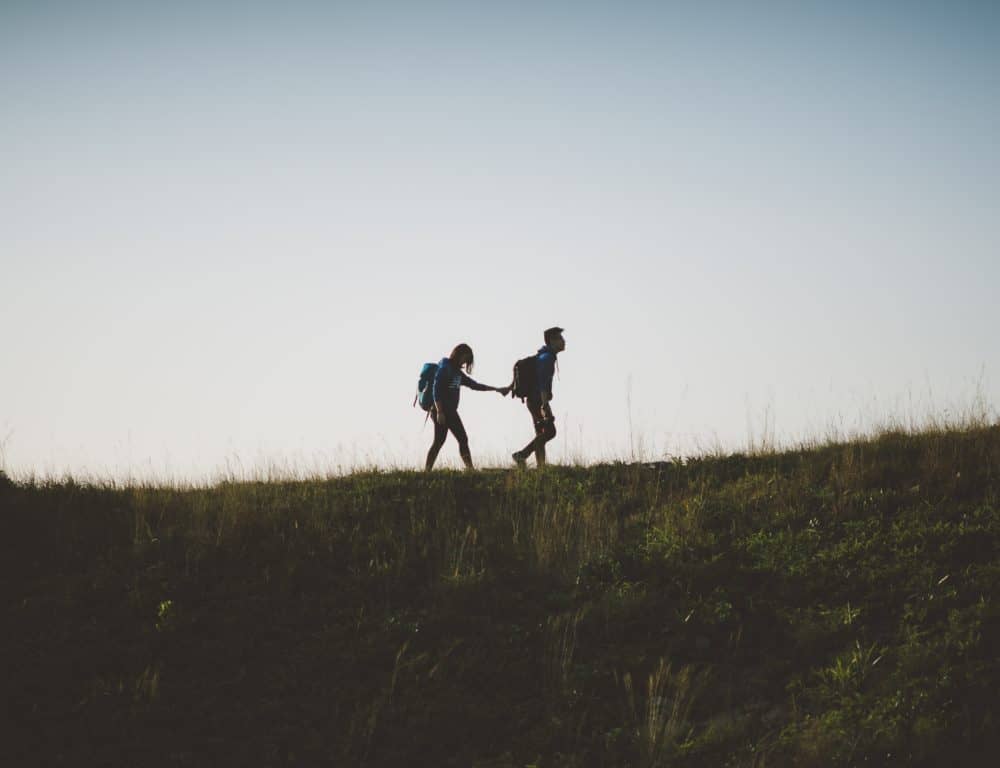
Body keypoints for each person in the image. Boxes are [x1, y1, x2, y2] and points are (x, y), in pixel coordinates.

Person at [426, 343, 509, 471]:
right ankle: (429, 471)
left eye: (468, 359)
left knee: (456, 439)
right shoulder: (445, 368)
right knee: (445, 441)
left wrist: (496, 389)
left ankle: (470, 469)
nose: (466, 362)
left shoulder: (457, 372)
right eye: (465, 357)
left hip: (450, 412)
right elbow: (436, 390)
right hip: (441, 411)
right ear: (458, 354)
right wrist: (439, 411)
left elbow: (474, 385)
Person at [512, 327, 565, 468]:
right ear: (552, 341)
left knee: (541, 432)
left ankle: (541, 467)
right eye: (560, 338)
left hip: (534, 400)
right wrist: (545, 405)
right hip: (538, 401)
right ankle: (521, 455)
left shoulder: (545, 356)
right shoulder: (547, 358)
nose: (564, 341)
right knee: (550, 432)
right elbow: (542, 383)